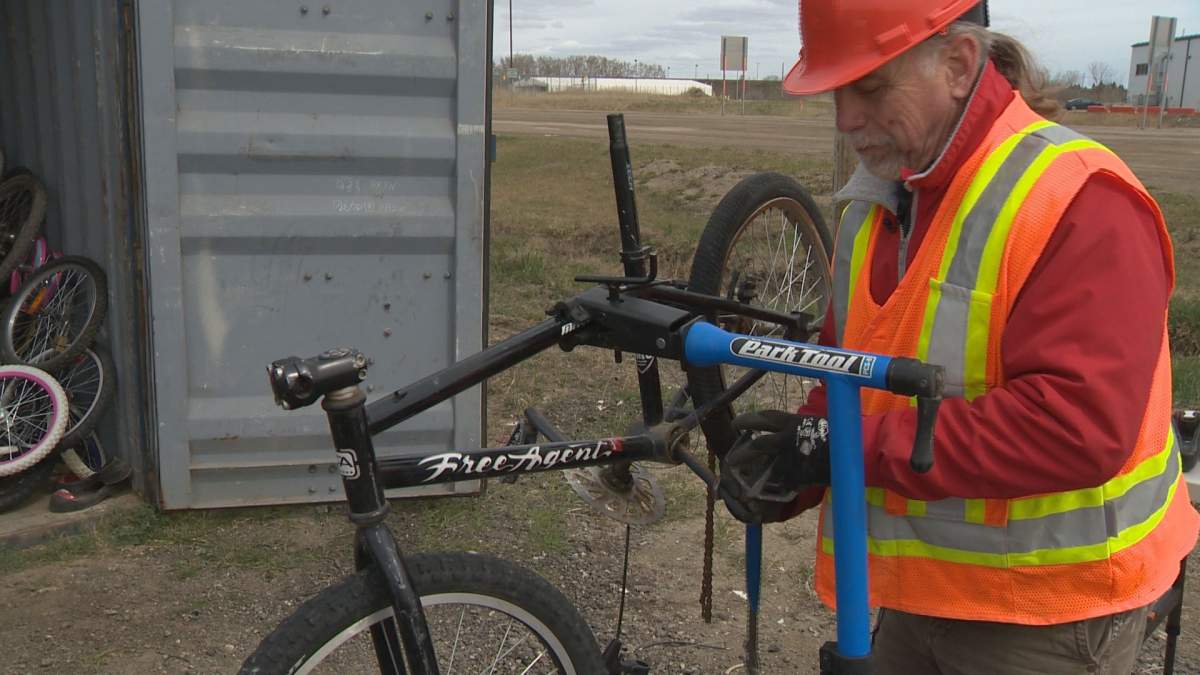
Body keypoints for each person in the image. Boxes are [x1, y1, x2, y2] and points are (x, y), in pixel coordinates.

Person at [717, 2, 1200, 673]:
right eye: (837, 91)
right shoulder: (879, 203)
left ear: (958, 63)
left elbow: (1076, 427)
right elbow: (847, 369)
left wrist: (839, 448)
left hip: (1050, 614)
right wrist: (793, 470)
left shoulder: (1078, 200)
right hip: (920, 596)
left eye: (871, 87)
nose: (846, 118)